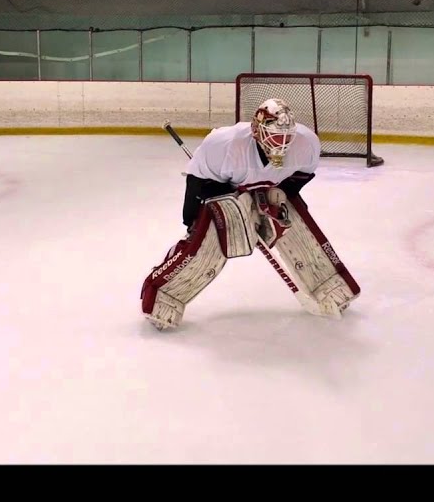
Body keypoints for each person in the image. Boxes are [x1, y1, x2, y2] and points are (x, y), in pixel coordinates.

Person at [140, 98, 360, 330]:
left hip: (271, 190)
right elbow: (198, 184)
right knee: (208, 245)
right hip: (227, 193)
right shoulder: (223, 144)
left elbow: (300, 177)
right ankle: (163, 297)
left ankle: (330, 285)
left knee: (295, 224)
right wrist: (203, 220)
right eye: (275, 135)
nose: (282, 143)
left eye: (286, 136)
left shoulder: (306, 143)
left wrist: (278, 194)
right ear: (256, 131)